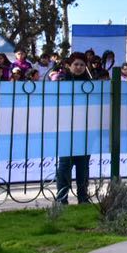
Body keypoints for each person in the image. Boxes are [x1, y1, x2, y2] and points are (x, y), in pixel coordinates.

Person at [55, 52, 95, 204]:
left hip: (86, 131)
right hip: (66, 131)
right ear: (69, 66)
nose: (79, 67)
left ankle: (83, 198)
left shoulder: (91, 85)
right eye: (76, 64)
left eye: (82, 65)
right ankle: (62, 199)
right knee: (65, 165)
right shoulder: (62, 82)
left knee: (83, 166)